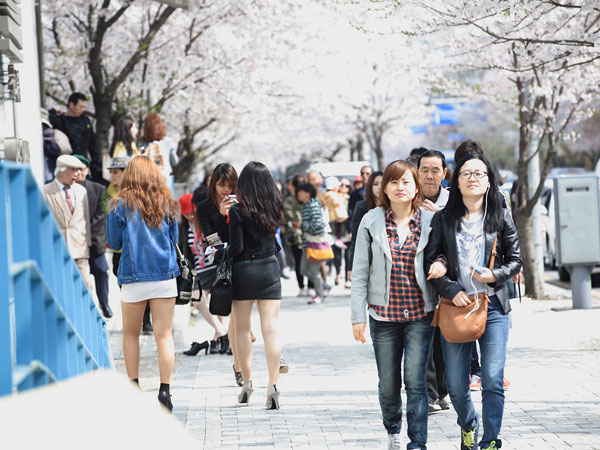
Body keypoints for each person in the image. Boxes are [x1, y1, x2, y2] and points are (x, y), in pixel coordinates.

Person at [424, 153, 522, 450]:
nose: (473, 178)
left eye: (479, 174)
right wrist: (451, 289)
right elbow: (432, 259)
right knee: (455, 385)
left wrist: (494, 275)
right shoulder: (443, 218)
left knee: (492, 378)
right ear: (456, 181)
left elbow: (516, 261)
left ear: (489, 181)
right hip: (457, 307)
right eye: (466, 174)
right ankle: (468, 424)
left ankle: (491, 440)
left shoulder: (499, 215)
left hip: (493, 306)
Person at [351, 160, 437, 450]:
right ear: (384, 188)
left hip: (420, 315)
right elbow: (360, 270)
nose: (400, 187)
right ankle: (393, 431)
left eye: (407, 182)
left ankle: (418, 442)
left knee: (415, 381)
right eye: (394, 182)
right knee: (388, 384)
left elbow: (444, 254)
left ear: (416, 188)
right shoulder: (371, 221)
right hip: (382, 316)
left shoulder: (429, 220)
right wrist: (357, 317)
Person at [106, 155, 180, 413]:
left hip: (134, 276)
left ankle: (134, 387)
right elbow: (174, 239)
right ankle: (165, 390)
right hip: (164, 276)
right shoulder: (168, 204)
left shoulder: (119, 205)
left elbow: (114, 244)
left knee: (130, 334)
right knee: (164, 335)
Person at [228, 162, 284, 410]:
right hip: (269, 268)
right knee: (270, 329)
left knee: (242, 330)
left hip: (244, 271)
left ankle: (248, 383)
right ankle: (273, 386)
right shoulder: (275, 207)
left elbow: (237, 247)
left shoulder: (238, 211)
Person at [415, 149, 450, 413]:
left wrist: (439, 214)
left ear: (444, 174)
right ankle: (428, 394)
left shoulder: (453, 201)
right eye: (424, 170)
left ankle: (442, 389)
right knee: (424, 335)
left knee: (444, 337)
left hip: (448, 276)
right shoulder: (409, 199)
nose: (429, 175)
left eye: (435, 170)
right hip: (416, 278)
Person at [195, 164, 237, 366]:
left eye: (230, 185)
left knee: (235, 303)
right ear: (214, 185)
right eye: (221, 184)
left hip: (238, 257)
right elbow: (211, 236)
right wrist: (221, 216)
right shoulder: (204, 207)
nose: (225, 189)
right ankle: (223, 336)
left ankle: (227, 339)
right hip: (218, 258)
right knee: (218, 299)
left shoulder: (241, 203)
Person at [179, 190, 228, 358]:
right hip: (200, 273)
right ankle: (222, 333)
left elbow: (217, 241)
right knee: (198, 301)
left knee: (219, 304)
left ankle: (217, 340)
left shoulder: (205, 223)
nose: (191, 217)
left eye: (192, 213)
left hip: (214, 267)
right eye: (187, 215)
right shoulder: (185, 229)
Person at [43, 155, 94, 294]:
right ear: (61, 170)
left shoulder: (81, 191)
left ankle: (83, 317)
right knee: (61, 290)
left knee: (86, 287)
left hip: (80, 249)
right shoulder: (45, 191)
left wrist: (87, 243)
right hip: (58, 250)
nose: (78, 174)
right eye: (74, 170)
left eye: (79, 170)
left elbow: (85, 219)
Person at [73, 155, 112, 319]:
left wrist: (88, 233)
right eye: (75, 169)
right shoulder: (67, 190)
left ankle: (104, 303)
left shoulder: (98, 189)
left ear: (87, 170)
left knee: (102, 271)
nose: (78, 172)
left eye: (82, 169)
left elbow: (100, 215)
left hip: (95, 241)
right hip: (75, 242)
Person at [49, 92, 102, 182]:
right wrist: (52, 112)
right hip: (66, 165)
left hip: (82, 164)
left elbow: (93, 143)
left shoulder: (85, 121)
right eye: (80, 106)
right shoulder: (59, 121)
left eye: (84, 107)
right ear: (71, 105)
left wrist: (97, 161)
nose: (82, 109)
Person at [295, 183, 328, 305]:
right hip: (308, 244)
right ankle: (324, 286)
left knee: (313, 271)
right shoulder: (307, 205)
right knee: (304, 270)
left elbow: (318, 224)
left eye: (300, 192)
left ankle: (319, 295)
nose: (298, 194)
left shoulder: (313, 204)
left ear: (307, 193)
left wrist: (301, 226)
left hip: (314, 244)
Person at [347, 170, 383, 278]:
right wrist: (350, 267)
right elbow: (355, 239)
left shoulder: (394, 207)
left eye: (383, 183)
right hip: (368, 258)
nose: (379, 187)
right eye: (375, 184)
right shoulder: (362, 207)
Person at [283, 175, 309, 296]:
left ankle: (311, 286)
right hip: (296, 236)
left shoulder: (311, 200)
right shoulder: (289, 201)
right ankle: (301, 286)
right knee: (298, 261)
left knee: (311, 260)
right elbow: (289, 218)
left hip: (310, 235)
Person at [138, 113, 176, 182]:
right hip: (164, 179)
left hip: (147, 180)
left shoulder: (142, 143)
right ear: (160, 126)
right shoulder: (167, 141)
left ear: (145, 128)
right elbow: (175, 161)